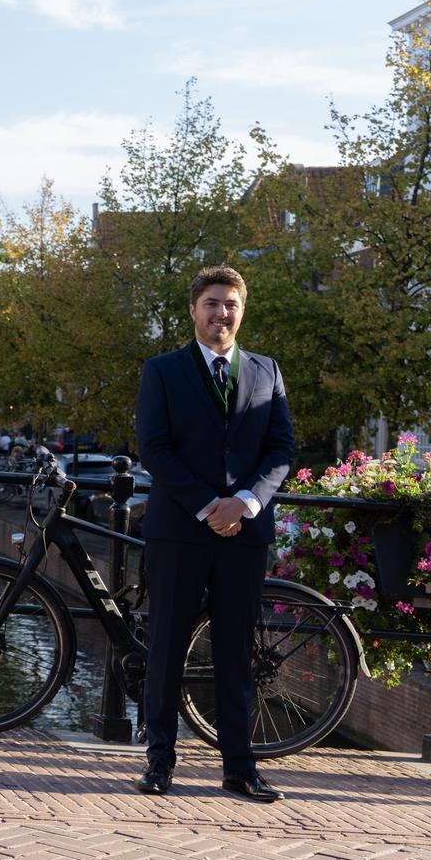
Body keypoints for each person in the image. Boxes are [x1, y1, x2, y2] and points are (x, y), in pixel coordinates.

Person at [132, 265, 294, 803]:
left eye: (230, 304)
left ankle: (239, 767)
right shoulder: (162, 371)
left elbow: (280, 450)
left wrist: (244, 503)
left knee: (235, 652)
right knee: (167, 648)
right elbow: (154, 448)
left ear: (241, 311)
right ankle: (159, 761)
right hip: (180, 529)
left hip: (244, 533)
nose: (221, 313)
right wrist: (208, 505)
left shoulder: (267, 372)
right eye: (212, 303)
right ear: (193, 310)